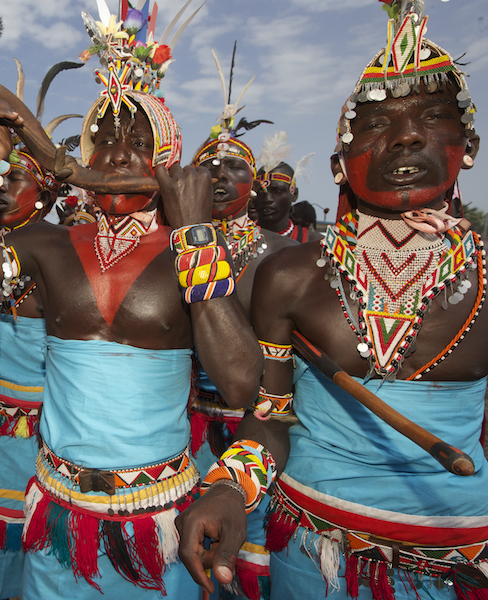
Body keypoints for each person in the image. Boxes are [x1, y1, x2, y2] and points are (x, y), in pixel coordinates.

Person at [0, 7, 261, 597]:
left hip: (162, 523)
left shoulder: (197, 251)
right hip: (58, 519)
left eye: (139, 142)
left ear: (168, 158)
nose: (119, 154)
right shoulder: (45, 245)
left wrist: (195, 233)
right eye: (106, 140)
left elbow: (244, 385)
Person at [177, 2, 488, 598]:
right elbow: (271, 418)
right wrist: (227, 488)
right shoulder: (291, 276)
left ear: (468, 144)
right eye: (375, 124)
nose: (406, 135)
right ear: (338, 163)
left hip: (461, 555)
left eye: (431, 117)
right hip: (310, 553)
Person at [185, 52, 297, 600]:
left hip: (259, 434)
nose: (220, 176)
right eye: (208, 165)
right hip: (183, 433)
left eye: (234, 166)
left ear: (255, 180)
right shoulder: (175, 253)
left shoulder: (282, 259)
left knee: (245, 565)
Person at [0, 142, 59, 600]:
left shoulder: (62, 258)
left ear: (48, 193)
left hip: (49, 433)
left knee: (45, 540)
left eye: (13, 179)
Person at [255, 133, 320, 243]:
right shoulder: (236, 240)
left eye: (277, 191)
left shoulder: (315, 243)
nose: (267, 199)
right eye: (261, 191)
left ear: (294, 194)